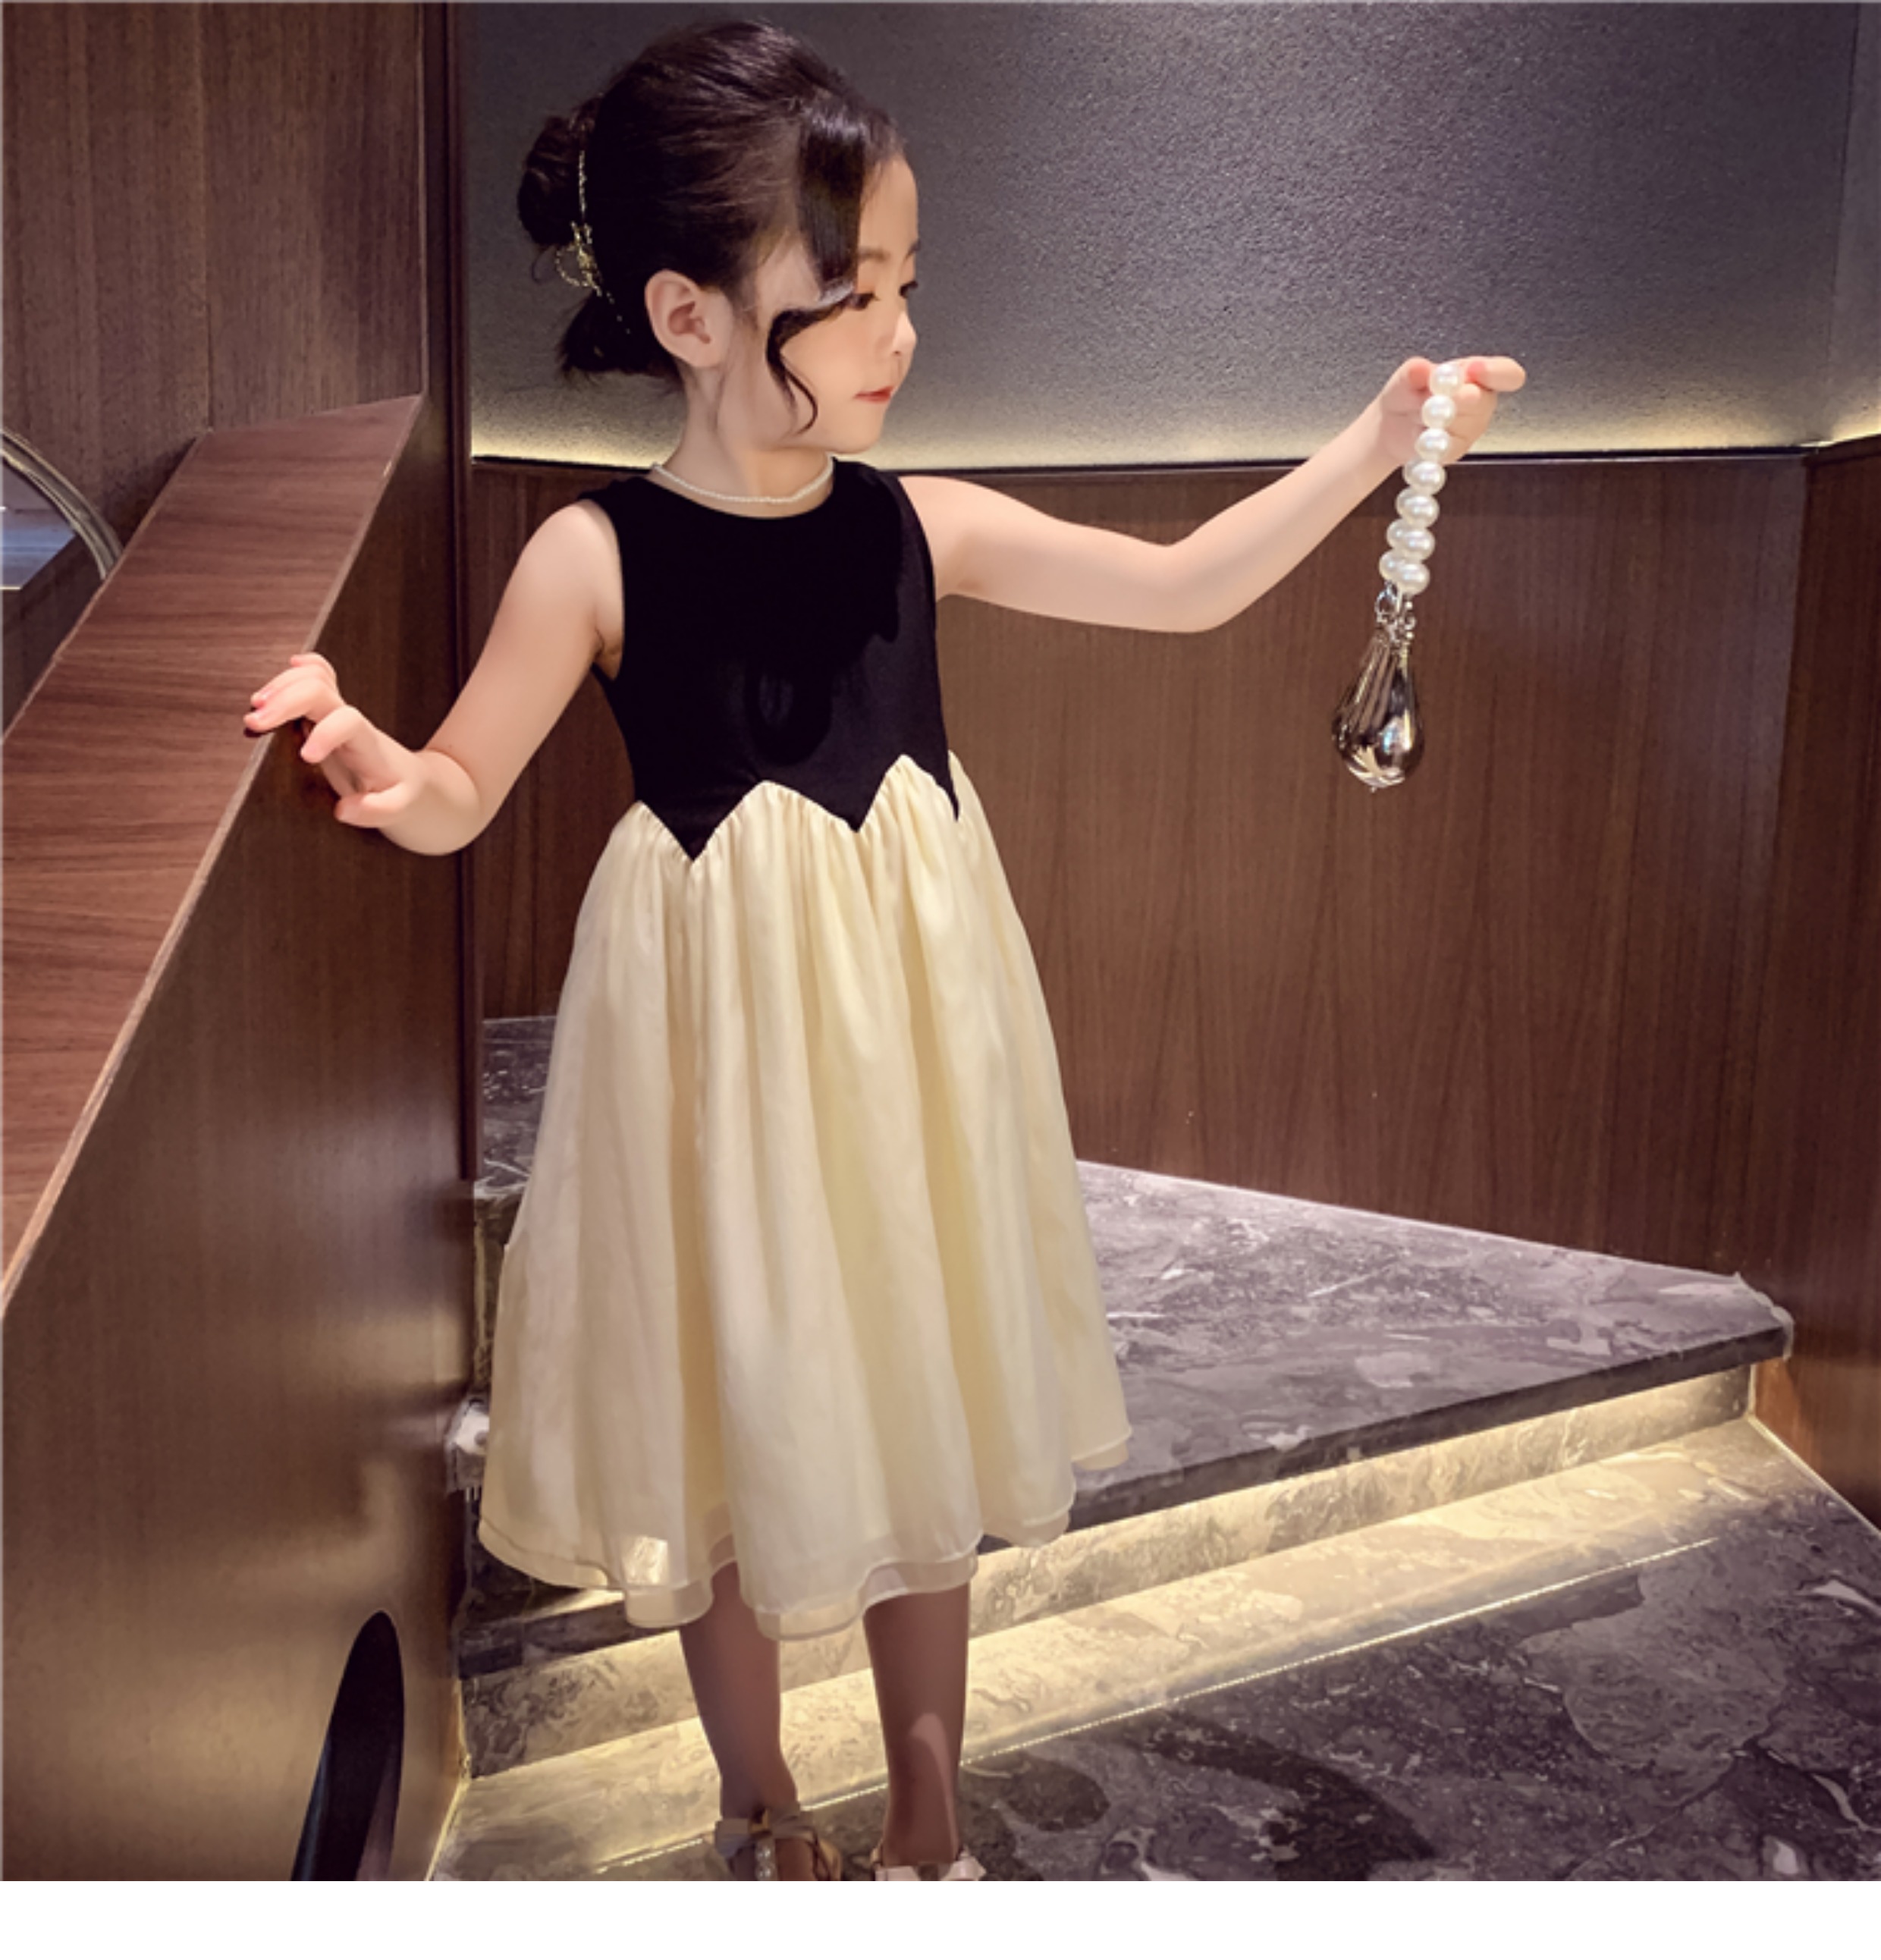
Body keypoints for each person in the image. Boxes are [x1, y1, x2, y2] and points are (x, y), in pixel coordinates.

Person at [242, 15, 1521, 1883]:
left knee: (918, 1390)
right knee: (729, 1411)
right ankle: (756, 1799)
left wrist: (1380, 441)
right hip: (711, 1043)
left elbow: (1184, 589)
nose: (898, 331)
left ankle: (929, 1809)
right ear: (687, 315)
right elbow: (457, 789)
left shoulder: (921, 525)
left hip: (914, 1029)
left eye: (909, 284)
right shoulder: (592, 556)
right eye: (851, 292)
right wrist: (368, 753)